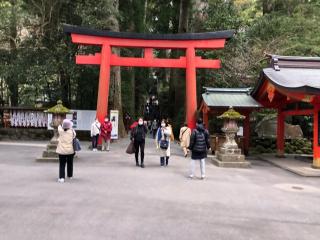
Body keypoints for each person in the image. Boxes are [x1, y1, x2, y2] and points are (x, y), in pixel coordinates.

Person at [56, 119, 76, 183]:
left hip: (61, 150)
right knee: (70, 163)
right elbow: (75, 135)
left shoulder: (60, 131)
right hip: (70, 150)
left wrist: (61, 124)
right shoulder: (72, 131)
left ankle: (62, 178)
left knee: (62, 164)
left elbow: (59, 126)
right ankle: (70, 175)